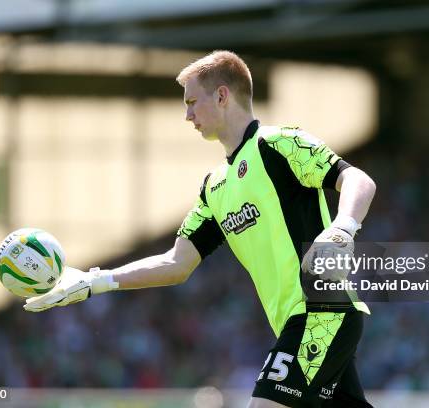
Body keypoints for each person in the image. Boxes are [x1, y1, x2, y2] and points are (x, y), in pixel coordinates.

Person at [24, 50, 376, 408]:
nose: (187, 115)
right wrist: (93, 281)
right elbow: (176, 263)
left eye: (192, 102)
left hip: (320, 313)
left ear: (222, 96)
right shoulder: (215, 188)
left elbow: (357, 180)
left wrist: (342, 229)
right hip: (297, 321)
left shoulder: (279, 144)